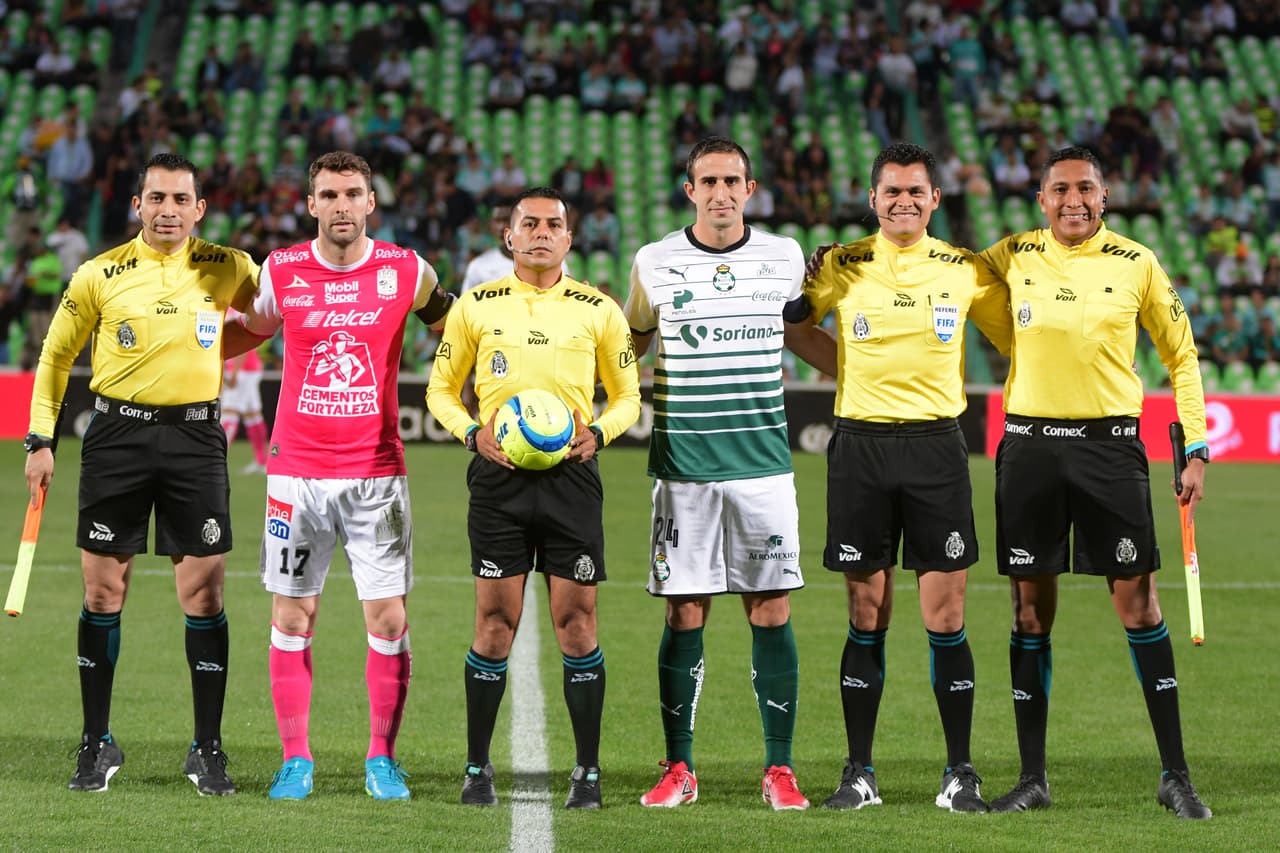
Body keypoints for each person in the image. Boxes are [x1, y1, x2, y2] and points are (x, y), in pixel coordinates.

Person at [975, 146, 1213, 820]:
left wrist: (1196, 447)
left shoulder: (1137, 263)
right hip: (1028, 449)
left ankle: (1176, 775)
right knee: (1028, 612)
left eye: (1085, 188)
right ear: (1041, 199)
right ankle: (1031, 778)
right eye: (1059, 189)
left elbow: (1181, 354)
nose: (1072, 199)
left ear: (1104, 197)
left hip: (1111, 450)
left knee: (1140, 607)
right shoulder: (1011, 253)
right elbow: (939, 271)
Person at [784, 142, 1012, 812]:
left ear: (935, 200)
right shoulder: (843, 263)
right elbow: (798, 331)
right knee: (866, 611)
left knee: (946, 615)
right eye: (892, 192)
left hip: (939, 449)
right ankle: (859, 772)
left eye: (916, 191)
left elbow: (1012, 340)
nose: (904, 201)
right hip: (861, 447)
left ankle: (959, 772)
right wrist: (846, 368)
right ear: (874, 198)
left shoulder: (965, 270)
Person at [23, 152, 259, 795]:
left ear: (200, 208)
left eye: (181, 200)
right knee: (103, 594)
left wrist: (214, 344)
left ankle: (207, 748)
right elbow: (55, 355)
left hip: (196, 437)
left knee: (204, 596)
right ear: (138, 205)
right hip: (116, 437)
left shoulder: (230, 266)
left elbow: (270, 318)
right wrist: (40, 439)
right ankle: (95, 742)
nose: (168, 211)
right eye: (156, 198)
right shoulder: (100, 273)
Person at [226, 150, 451, 802]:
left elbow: (453, 329)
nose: (342, 205)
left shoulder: (407, 270)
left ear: (371, 202)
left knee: (386, 618)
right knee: (293, 615)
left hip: (377, 473)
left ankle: (381, 758)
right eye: (329, 194)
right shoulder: (284, 269)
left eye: (353, 193)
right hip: (294, 472)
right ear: (311, 203)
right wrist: (189, 349)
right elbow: (255, 329)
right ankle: (296, 759)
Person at [426, 186, 641, 810]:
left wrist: (598, 431)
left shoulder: (597, 309)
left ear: (570, 239)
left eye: (554, 224)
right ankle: (476, 769)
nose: (542, 232)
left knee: (577, 624)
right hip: (498, 478)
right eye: (530, 224)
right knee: (495, 625)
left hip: (572, 479)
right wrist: (472, 432)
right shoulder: (476, 305)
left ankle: (588, 773)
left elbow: (628, 394)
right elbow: (441, 389)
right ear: (509, 237)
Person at [623, 136, 811, 811]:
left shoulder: (785, 257)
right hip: (683, 470)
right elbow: (631, 341)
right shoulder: (653, 260)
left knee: (772, 607)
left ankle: (780, 768)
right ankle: (680, 766)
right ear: (689, 190)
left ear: (751, 189)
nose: (721, 192)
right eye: (708, 181)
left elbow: (804, 330)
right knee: (684, 610)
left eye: (733, 180)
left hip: (763, 466)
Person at [220, 309, 270, 474]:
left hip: (243, 370)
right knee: (252, 415)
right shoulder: (230, 308)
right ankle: (261, 461)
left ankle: (217, 459)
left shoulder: (236, 310)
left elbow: (245, 343)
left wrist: (234, 371)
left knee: (229, 412)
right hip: (248, 369)